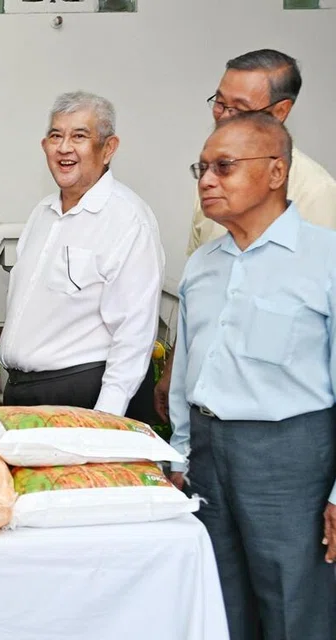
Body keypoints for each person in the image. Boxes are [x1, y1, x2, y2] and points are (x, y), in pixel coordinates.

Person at [169, 112, 336, 640]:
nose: (206, 180)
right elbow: (186, 373)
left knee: (294, 608)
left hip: (290, 460)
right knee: (216, 603)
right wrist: (179, 455)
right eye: (201, 168)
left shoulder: (325, 259)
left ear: (276, 172)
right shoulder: (202, 264)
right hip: (208, 456)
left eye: (224, 167)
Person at [155, 48, 336, 422]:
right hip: (207, 414)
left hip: (276, 423)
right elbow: (200, 299)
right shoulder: (212, 185)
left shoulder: (317, 195)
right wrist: (175, 372)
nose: (223, 116)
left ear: (280, 112)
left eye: (238, 108)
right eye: (219, 103)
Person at [0, 92, 164, 418]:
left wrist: (105, 418)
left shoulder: (128, 219)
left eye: (79, 136)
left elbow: (134, 333)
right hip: (27, 395)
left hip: (87, 397)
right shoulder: (42, 213)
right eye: (56, 136)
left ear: (108, 148)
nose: (64, 148)